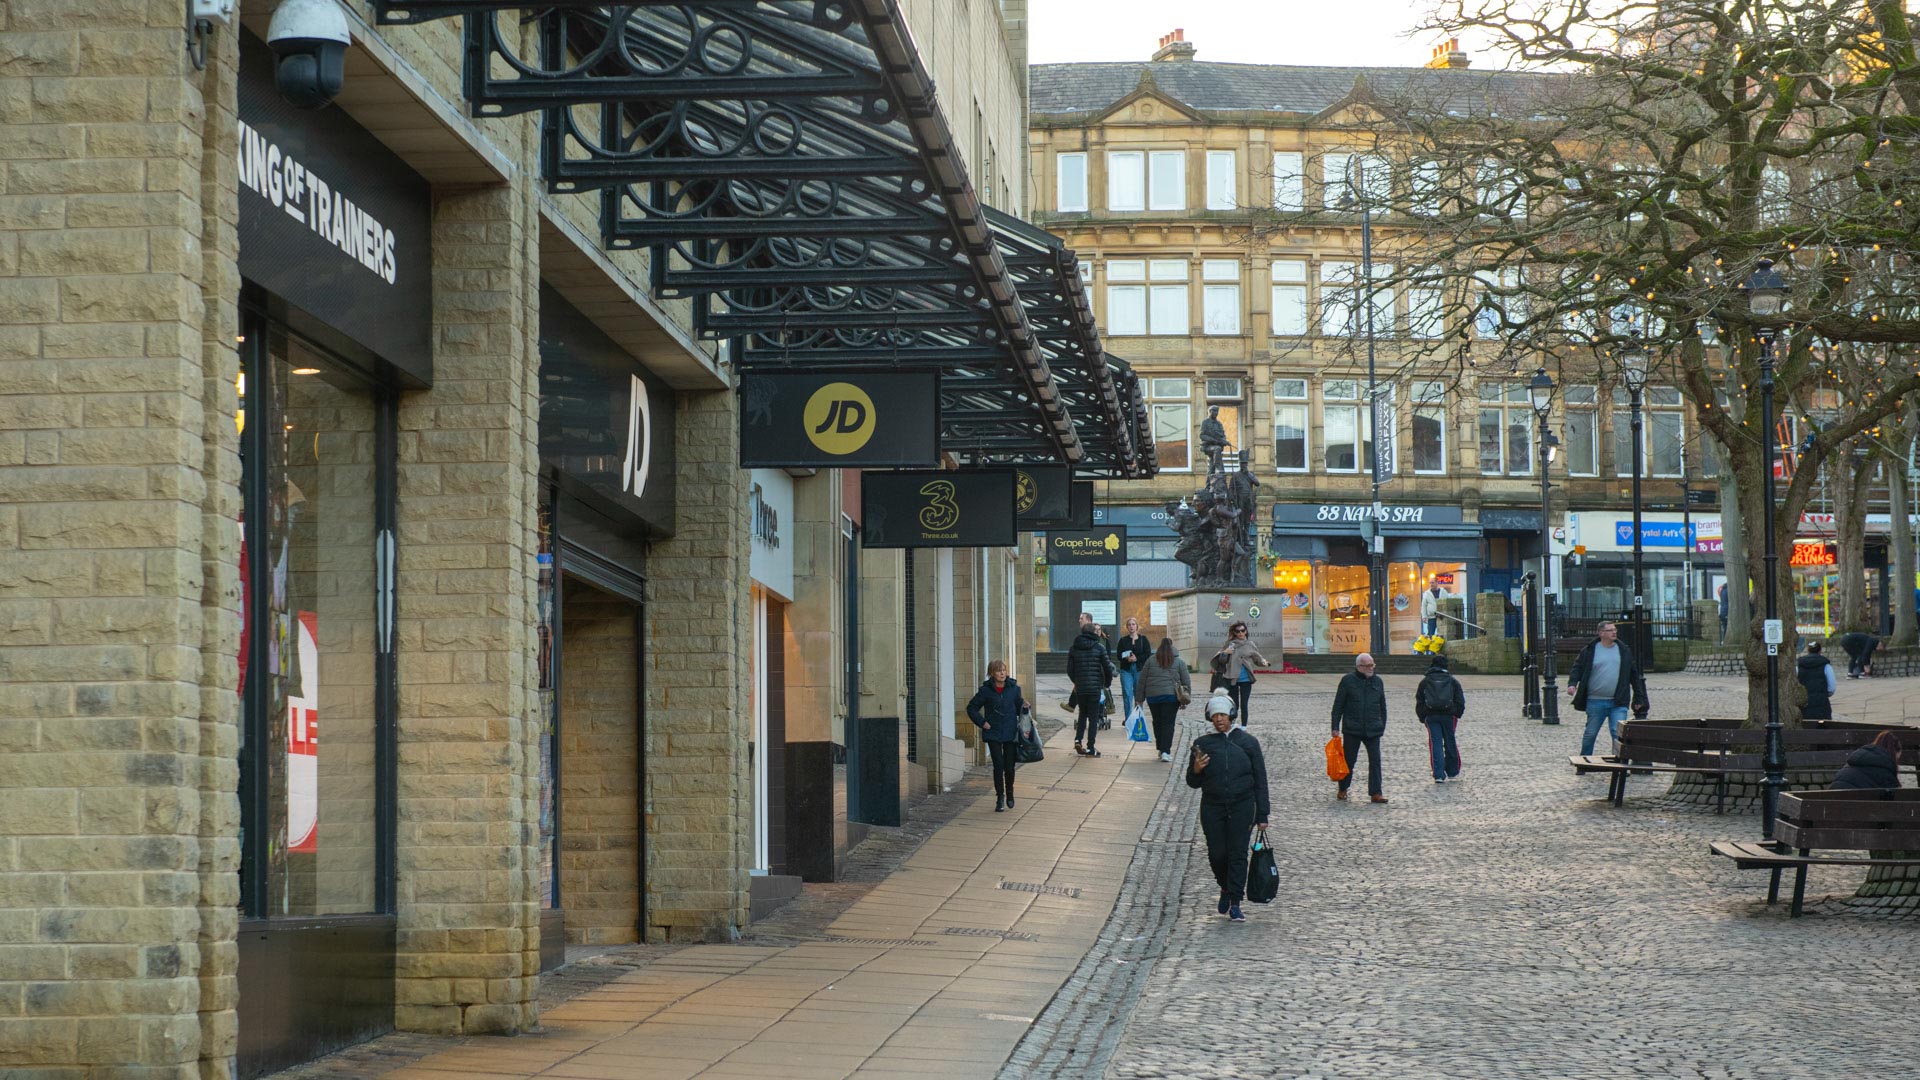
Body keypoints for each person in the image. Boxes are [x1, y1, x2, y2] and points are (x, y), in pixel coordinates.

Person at [1186, 694, 1270, 922]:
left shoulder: (1248, 742)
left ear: (1231, 716)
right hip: (1212, 806)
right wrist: (1196, 769)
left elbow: (1260, 779)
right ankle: (1225, 886)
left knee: (1238, 853)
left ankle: (1235, 901)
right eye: (1215, 716)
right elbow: (1192, 782)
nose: (1219, 720)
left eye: (1222, 715)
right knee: (1217, 854)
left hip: (1243, 805)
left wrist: (1263, 814)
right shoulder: (1203, 744)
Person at [1567, 621, 1649, 757]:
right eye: (1610, 630)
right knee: (1590, 734)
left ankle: (1620, 761)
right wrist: (1572, 684)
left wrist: (1638, 697)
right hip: (1595, 700)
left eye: (1615, 630)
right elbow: (1578, 668)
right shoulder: (1590, 650)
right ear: (1601, 633)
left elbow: (1633, 675)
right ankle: (1584, 760)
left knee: (1618, 733)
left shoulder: (1623, 650)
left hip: (1618, 701)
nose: (1614, 632)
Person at [966, 660, 1029, 811]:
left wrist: (1025, 707)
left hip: (1010, 731)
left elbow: (1019, 708)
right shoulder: (985, 690)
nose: (1002, 673)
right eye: (998, 670)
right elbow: (971, 708)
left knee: (1009, 767)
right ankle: (1000, 797)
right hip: (993, 732)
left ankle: (1010, 793)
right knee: (998, 765)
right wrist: (983, 722)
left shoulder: (1014, 689)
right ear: (992, 673)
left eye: (1003, 670)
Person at [1331, 653, 1389, 803]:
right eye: (1368, 666)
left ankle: (1376, 792)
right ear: (1359, 667)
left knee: (1375, 761)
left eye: (1372, 665)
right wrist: (1335, 726)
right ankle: (1343, 788)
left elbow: (1382, 705)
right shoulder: (1348, 680)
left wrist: (1382, 725)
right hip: (1353, 728)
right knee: (1349, 761)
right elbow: (1338, 705)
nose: (1371, 668)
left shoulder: (1377, 681)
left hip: (1373, 729)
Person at [1066, 612, 1114, 757]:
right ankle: (1090, 747)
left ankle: (1078, 739)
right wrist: (1106, 683)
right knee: (1093, 717)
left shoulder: (1074, 647)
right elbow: (1107, 668)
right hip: (1094, 688)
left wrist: (1076, 681)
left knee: (1082, 713)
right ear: (1094, 633)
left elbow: (1069, 669)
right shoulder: (1099, 648)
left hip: (1081, 688)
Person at [1137, 638, 1192, 762]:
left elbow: (1142, 680)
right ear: (1172, 647)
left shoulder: (1150, 660)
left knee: (1157, 722)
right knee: (1168, 723)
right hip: (1171, 697)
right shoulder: (1179, 662)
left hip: (1153, 696)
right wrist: (1184, 700)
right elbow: (1186, 681)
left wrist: (1139, 698)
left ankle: (1161, 748)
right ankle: (1165, 751)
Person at [1415, 654, 1466, 784]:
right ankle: (1453, 771)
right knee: (1450, 741)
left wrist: (1423, 716)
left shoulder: (1425, 681)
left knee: (1435, 743)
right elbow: (1460, 699)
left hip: (1431, 715)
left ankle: (1438, 774)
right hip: (1449, 715)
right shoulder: (1452, 680)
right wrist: (1457, 713)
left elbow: (1419, 700)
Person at [1214, 621, 1269, 726]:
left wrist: (1263, 662)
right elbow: (1221, 661)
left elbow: (1257, 658)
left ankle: (1244, 726)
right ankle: (1232, 724)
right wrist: (1225, 653)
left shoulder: (1250, 644)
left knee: (1244, 704)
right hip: (1232, 677)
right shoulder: (1229, 644)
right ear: (1234, 632)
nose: (1240, 633)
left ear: (1246, 631)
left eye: (1243, 631)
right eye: (1238, 631)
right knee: (1234, 704)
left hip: (1246, 679)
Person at [1832, 730, 1902, 790]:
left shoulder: (1854, 760)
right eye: (1897, 759)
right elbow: (1895, 797)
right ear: (1894, 753)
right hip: (1855, 801)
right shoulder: (1885, 773)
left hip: (1831, 798)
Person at [1114, 617, 1151, 721]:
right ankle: (1128, 719)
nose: (1131, 626)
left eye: (1133, 624)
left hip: (1139, 670)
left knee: (1138, 695)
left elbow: (1148, 654)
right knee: (1127, 694)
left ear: (1137, 626)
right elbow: (1119, 655)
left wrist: (1137, 658)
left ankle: (1138, 719)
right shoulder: (1123, 640)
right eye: (1129, 624)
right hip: (1126, 670)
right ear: (1127, 627)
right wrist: (1127, 659)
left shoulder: (1143, 639)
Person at [1797, 640, 1837, 721]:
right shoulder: (1826, 665)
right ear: (1820, 651)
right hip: (1822, 703)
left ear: (1808, 650)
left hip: (1804, 703)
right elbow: (1831, 686)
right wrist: (1826, 694)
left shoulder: (1799, 665)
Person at [1199, 404, 1231, 478]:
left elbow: (1222, 435)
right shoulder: (1205, 422)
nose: (1216, 413)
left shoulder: (1219, 424)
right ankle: (1218, 468)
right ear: (1210, 411)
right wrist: (1213, 440)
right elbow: (1202, 435)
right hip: (1207, 446)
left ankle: (1209, 482)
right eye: (1214, 411)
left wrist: (1224, 441)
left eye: (1217, 411)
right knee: (1217, 449)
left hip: (1217, 446)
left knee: (1211, 463)